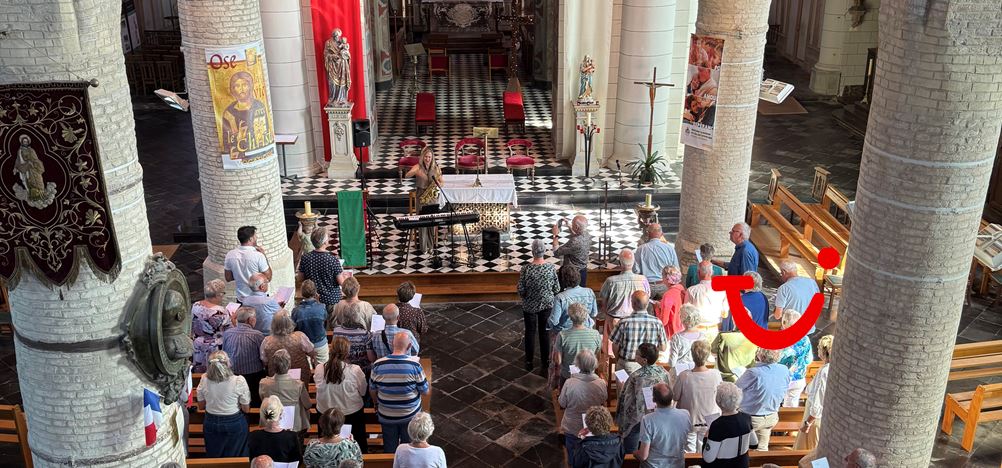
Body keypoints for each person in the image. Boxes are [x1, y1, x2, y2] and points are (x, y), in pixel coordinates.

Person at [370, 333, 430, 454]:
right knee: (408, 448)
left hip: (386, 414)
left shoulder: (378, 364)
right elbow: (425, 391)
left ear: (392, 344)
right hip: (409, 415)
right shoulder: (414, 366)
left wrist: (376, 404)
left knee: (390, 447)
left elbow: (372, 389)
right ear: (409, 346)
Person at [315, 337, 369, 453]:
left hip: (326, 413)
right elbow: (363, 391)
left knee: (326, 447)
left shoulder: (319, 369)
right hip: (351, 413)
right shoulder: (354, 370)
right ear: (347, 352)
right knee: (357, 446)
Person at [616, 343, 670, 452]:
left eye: (637, 354)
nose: (635, 355)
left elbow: (627, 399)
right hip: (659, 416)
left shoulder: (636, 376)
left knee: (630, 449)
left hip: (637, 420)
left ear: (644, 360)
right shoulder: (664, 372)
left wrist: (622, 387)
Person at [517, 239, 561, 372]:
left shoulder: (526, 269)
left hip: (529, 306)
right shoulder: (550, 268)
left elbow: (521, 290)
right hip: (546, 305)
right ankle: (545, 361)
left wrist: (527, 295)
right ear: (544, 251)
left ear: (532, 252)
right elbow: (557, 289)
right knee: (544, 333)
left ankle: (529, 361)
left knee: (530, 332)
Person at [196, 350, 251, 457]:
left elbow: (201, 406)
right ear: (228, 364)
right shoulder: (238, 381)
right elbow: (246, 409)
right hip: (234, 422)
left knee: (214, 455)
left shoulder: (204, 379)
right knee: (236, 455)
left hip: (211, 422)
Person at [735, 348, 790, 451]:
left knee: (741, 449)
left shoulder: (754, 372)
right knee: (761, 449)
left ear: (761, 355)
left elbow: (735, 388)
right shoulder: (784, 369)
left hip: (751, 419)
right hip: (771, 416)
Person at [559, 350, 608, 462]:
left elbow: (562, 403)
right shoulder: (600, 383)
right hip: (591, 424)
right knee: (589, 454)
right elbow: (603, 400)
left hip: (572, 425)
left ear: (578, 364)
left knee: (573, 454)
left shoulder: (570, 382)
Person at [673, 340, 722, 453]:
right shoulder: (716, 374)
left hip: (690, 419)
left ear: (692, 355)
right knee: (705, 451)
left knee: (689, 452)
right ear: (708, 356)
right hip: (710, 419)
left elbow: (675, 397)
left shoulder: (684, 375)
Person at [610, 291, 668, 374]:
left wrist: (618, 359)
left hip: (626, 364)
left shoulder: (623, 322)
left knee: (623, 383)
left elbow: (615, 345)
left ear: (633, 304)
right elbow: (663, 347)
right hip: (649, 365)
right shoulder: (657, 322)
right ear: (647, 304)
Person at [634, 383, 690, 467]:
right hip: (677, 465)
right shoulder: (685, 414)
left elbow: (643, 456)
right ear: (672, 396)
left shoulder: (647, 419)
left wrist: (634, 453)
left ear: (653, 399)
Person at [702, 382, 756, 467]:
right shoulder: (746, 418)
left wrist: (706, 438)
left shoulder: (717, 425)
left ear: (718, 401)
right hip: (742, 464)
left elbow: (708, 458)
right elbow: (754, 444)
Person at [258, 349, 312, 435]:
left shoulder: (264, 383)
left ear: (273, 366)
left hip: (271, 423)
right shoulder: (298, 384)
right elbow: (308, 405)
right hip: (294, 426)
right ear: (289, 365)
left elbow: (263, 401)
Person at [794, 334, 832, 451]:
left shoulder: (825, 372)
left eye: (819, 348)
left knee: (811, 451)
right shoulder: (829, 368)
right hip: (817, 415)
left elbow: (819, 398)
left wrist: (808, 423)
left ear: (824, 352)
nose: (817, 350)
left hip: (814, 418)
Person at [222, 307, 266, 406]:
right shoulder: (257, 335)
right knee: (255, 398)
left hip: (233, 374)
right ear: (249, 320)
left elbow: (224, 352)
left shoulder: (227, 333)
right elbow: (263, 357)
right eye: (255, 318)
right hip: (253, 376)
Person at [221, 71, 272, 157]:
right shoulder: (229, 112)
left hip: (256, 153)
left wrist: (233, 124)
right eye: (237, 86)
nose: (241, 89)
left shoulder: (258, 107)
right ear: (233, 89)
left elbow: (262, 134)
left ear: (250, 86)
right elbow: (227, 143)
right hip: (238, 156)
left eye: (244, 85)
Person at [599, 249, 650, 332]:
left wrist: (607, 314)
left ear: (620, 263)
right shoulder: (643, 279)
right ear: (633, 262)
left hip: (615, 320)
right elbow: (647, 297)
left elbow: (603, 303)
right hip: (636, 320)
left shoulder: (610, 281)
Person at [297, 227, 346, 312]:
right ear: (325, 242)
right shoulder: (332, 260)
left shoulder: (305, 258)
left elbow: (300, 278)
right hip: (331, 300)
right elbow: (342, 283)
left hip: (313, 299)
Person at [405, 147, 443, 253]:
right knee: (422, 222)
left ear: (432, 158)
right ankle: (423, 248)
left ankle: (431, 247)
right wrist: (414, 172)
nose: (427, 159)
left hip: (432, 197)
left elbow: (442, 182)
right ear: (422, 157)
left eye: (429, 157)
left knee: (431, 222)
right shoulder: (418, 167)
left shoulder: (436, 168)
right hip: (421, 197)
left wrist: (439, 184)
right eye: (426, 156)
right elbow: (407, 175)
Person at [261, 310, 316, 384]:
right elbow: (312, 352)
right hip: (299, 374)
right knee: (301, 389)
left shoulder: (267, 341)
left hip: (277, 376)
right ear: (290, 322)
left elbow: (264, 361)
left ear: (273, 324)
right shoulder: (300, 336)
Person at [555, 303, 603, 385]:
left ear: (570, 317)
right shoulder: (595, 334)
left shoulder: (562, 335)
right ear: (586, 316)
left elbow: (558, 361)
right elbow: (598, 357)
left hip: (568, 376)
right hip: (589, 376)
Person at [192, 279, 232, 373]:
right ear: (218, 295)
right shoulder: (221, 312)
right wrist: (233, 318)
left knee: (200, 372)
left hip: (198, 344)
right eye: (223, 293)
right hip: (214, 347)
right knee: (215, 372)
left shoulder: (196, 305)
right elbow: (229, 329)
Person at [249, 396, 303, 464]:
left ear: (262, 414)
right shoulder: (291, 436)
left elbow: (252, 461)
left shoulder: (254, 436)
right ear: (280, 414)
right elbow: (298, 462)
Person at [224, 226, 272, 301]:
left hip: (242, 298)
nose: (257, 237)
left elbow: (228, 278)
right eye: (255, 236)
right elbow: (268, 277)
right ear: (251, 239)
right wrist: (264, 256)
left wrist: (240, 275)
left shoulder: (230, 255)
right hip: (259, 299)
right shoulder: (258, 255)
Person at [773, 260, 820, 334]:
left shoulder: (784, 288)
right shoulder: (812, 282)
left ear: (784, 272)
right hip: (809, 329)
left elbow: (777, 316)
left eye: (781, 273)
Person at [778, 310, 814, 407]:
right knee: (790, 407)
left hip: (781, 379)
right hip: (798, 379)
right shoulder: (805, 339)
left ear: (784, 323)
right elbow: (808, 360)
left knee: (774, 404)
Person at [686, 262, 727, 344]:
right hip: (714, 329)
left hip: (697, 330)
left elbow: (686, 313)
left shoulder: (691, 290)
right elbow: (725, 314)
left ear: (698, 273)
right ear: (711, 273)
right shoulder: (722, 290)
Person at [331, 302, 378, 375]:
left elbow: (334, 351)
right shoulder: (365, 333)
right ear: (357, 316)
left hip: (341, 369)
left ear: (344, 316)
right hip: (361, 370)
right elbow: (370, 358)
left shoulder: (336, 331)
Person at [633, 224, 679, 296]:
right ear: (661, 234)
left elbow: (636, 270)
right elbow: (676, 269)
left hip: (647, 285)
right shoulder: (669, 248)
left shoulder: (641, 249)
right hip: (665, 285)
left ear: (648, 233)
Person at [550, 264, 598, 332]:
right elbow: (594, 314)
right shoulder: (589, 292)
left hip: (565, 331)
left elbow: (554, 321)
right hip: (586, 328)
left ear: (562, 280)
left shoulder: (559, 297)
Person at [293, 280, 330, 364]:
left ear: (302, 293)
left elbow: (294, 328)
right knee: (323, 367)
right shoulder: (321, 307)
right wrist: (318, 302)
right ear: (315, 292)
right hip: (320, 343)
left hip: (304, 344)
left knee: (306, 368)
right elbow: (325, 321)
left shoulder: (296, 311)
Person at [552, 214, 592, 286]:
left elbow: (556, 252)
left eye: (572, 223)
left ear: (576, 227)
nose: (571, 224)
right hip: (583, 270)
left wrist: (555, 235)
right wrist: (569, 226)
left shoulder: (574, 242)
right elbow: (577, 235)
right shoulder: (587, 235)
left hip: (571, 274)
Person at [666, 304, 705, 370]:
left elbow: (672, 363)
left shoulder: (676, 338)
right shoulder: (703, 337)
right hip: (696, 370)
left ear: (683, 320)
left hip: (680, 371)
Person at [656, 266, 687, 340]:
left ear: (667, 279)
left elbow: (663, 321)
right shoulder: (681, 289)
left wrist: (657, 309)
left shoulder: (668, 295)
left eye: (662, 276)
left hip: (671, 332)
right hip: (682, 328)